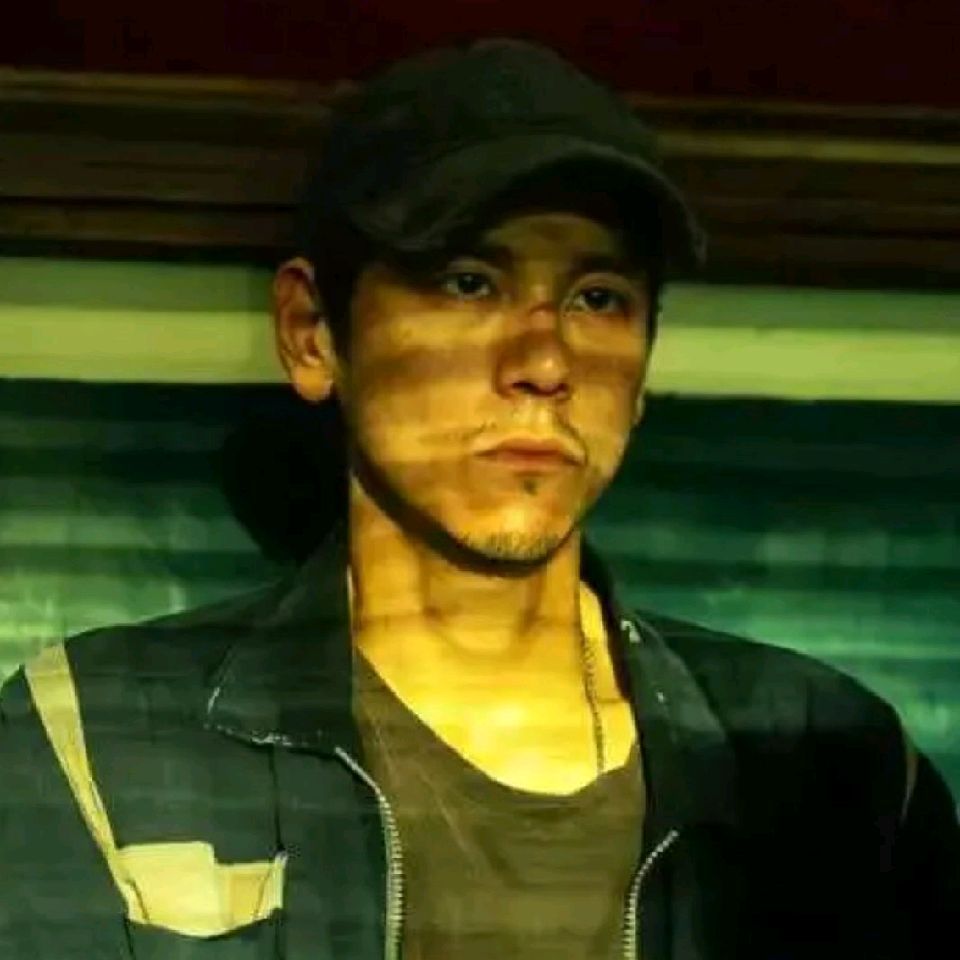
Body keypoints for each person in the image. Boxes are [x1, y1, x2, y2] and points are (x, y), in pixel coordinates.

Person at [1, 37, 957, 960]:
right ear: (312, 332)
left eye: (598, 298)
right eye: (468, 283)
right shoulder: (98, 741)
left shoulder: (836, 773)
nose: (544, 362)